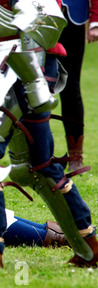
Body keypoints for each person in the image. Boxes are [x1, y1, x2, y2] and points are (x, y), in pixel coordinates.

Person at [0, 0, 98, 269]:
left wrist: (32, 80)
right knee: (34, 168)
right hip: (9, 65)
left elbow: (46, 15)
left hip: (15, 65)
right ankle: (90, 247)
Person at [58, 0, 98, 171]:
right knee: (35, 87)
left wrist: (95, 20)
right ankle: (35, 155)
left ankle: (75, 155)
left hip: (74, 17)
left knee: (70, 88)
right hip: (40, 18)